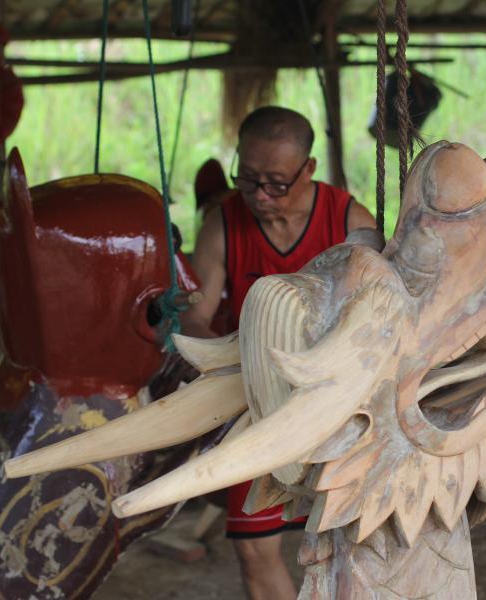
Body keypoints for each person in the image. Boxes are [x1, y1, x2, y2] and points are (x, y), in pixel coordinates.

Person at [180, 106, 375, 600]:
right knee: (253, 546)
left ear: (307, 169)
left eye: (275, 183)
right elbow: (195, 313)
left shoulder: (348, 220)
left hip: (338, 407)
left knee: (351, 539)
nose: (260, 196)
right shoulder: (224, 222)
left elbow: (379, 315)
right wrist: (210, 351)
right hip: (256, 401)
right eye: (247, 179)